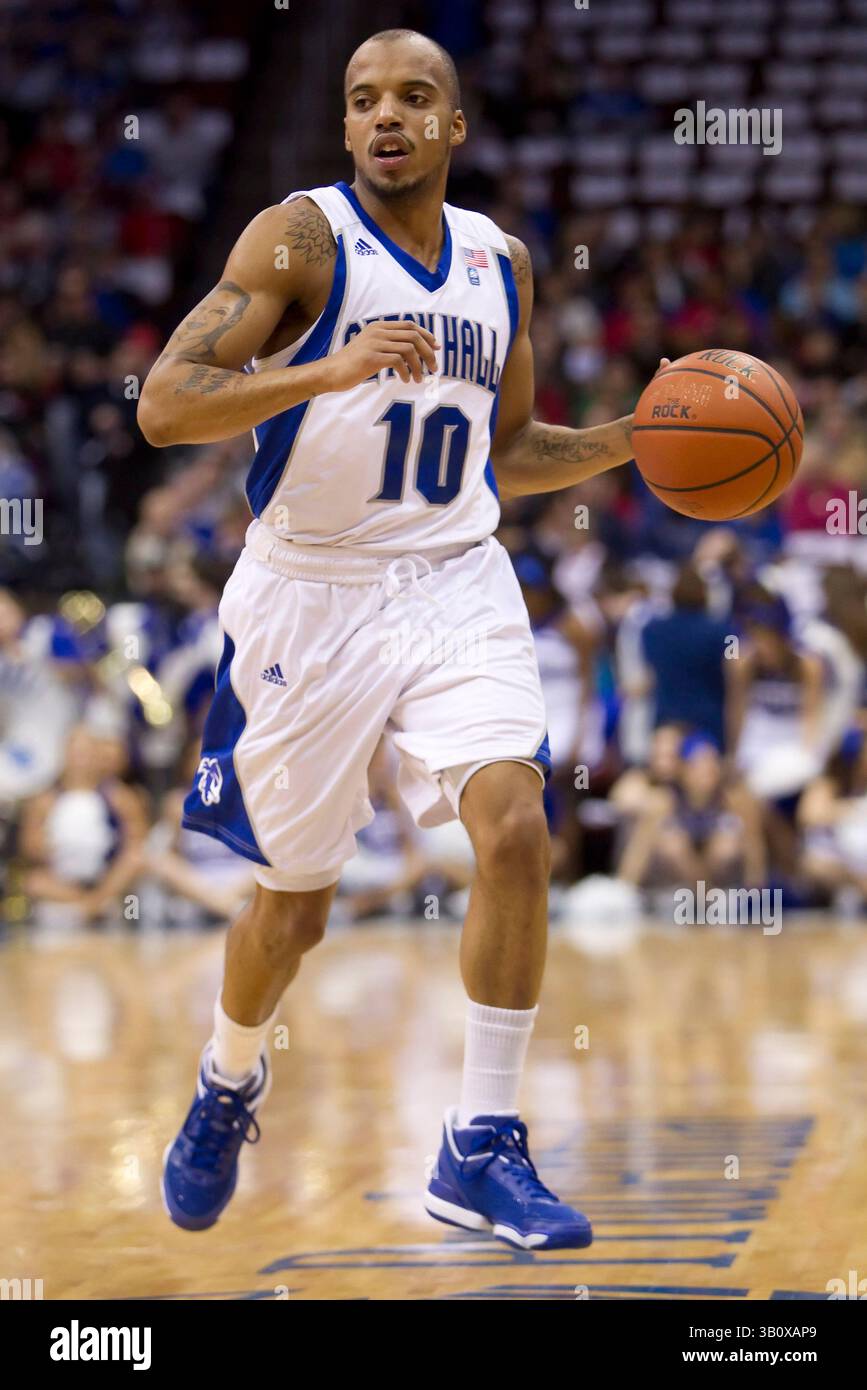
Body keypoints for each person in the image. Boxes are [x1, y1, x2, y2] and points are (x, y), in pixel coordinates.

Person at [138, 28, 661, 1249]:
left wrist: (628, 438)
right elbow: (165, 403)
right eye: (365, 98)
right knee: (294, 909)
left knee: (518, 823)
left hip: (451, 577)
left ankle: (480, 1142)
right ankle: (227, 1080)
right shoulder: (297, 237)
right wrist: (323, 371)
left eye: (416, 97)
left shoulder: (502, 262)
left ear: (454, 126)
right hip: (307, 596)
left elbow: (511, 450)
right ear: (345, 125)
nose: (388, 116)